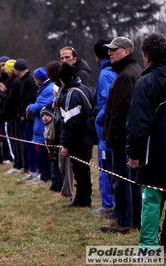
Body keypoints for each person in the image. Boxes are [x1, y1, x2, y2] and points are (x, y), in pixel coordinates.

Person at [126, 33, 166, 249]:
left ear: (147, 56)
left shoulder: (145, 83)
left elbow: (137, 123)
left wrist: (134, 154)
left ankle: (149, 247)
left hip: (155, 152)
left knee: (151, 199)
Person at [100, 36, 142, 234]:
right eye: (109, 49)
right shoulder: (131, 71)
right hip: (128, 137)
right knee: (131, 180)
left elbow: (119, 112)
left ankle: (124, 220)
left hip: (122, 139)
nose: (110, 53)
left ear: (127, 51)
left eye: (114, 49)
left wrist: (111, 137)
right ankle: (133, 218)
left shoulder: (126, 75)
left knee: (120, 179)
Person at [57, 63, 94, 208]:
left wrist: (65, 144)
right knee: (84, 168)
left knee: (79, 169)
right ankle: (85, 198)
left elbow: (69, 122)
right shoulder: (85, 88)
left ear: (62, 79)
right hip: (87, 136)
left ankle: (81, 200)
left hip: (78, 138)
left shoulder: (71, 94)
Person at [92, 39, 117, 215]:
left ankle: (108, 204)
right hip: (111, 130)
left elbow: (110, 102)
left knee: (106, 169)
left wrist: (98, 120)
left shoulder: (105, 74)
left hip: (106, 133)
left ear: (96, 56)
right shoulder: (115, 70)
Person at [0, 59, 25, 174]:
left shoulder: (15, 82)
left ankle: (17, 163)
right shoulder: (11, 81)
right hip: (10, 114)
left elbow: (12, 99)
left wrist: (0, 93)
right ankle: (17, 163)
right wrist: (4, 90)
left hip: (13, 115)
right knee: (13, 140)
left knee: (15, 141)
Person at [46, 61, 74, 199]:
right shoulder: (59, 87)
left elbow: (62, 112)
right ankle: (63, 188)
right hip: (60, 127)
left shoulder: (64, 90)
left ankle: (67, 190)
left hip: (63, 129)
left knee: (66, 164)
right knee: (60, 162)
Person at [26, 67, 55, 184]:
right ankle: (43, 174)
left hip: (43, 125)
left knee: (45, 153)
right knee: (42, 152)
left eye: (35, 77)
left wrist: (29, 107)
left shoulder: (48, 89)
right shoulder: (43, 88)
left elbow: (41, 105)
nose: (33, 79)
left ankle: (45, 176)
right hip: (39, 124)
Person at [12, 59, 37, 182]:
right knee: (28, 146)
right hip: (25, 118)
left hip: (29, 119)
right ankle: (31, 170)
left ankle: (34, 170)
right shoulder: (24, 80)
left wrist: (25, 115)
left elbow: (29, 99)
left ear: (17, 70)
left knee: (32, 146)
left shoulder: (28, 81)